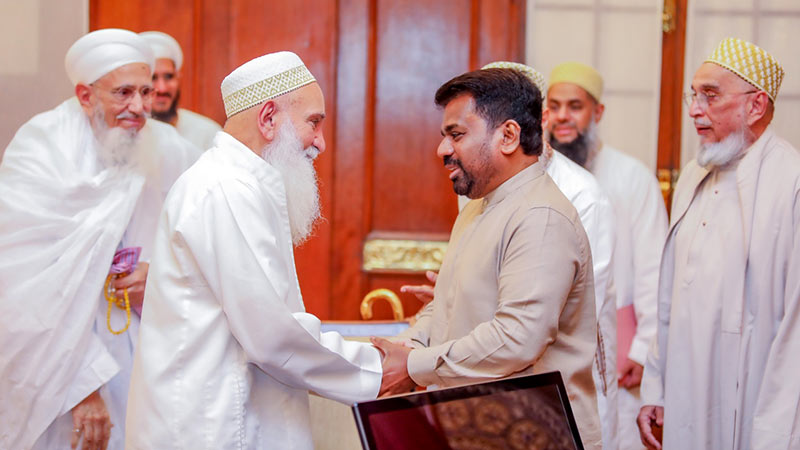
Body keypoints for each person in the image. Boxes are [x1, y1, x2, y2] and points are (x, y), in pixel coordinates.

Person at [125, 51, 382, 450]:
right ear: (268, 119)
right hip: (215, 426)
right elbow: (272, 335)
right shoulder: (225, 189)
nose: (321, 142)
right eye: (314, 122)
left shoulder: (243, 184)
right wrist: (378, 370)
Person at [372, 67, 602, 449]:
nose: (442, 150)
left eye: (456, 135)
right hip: (479, 426)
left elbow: (517, 339)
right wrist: (404, 349)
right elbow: (444, 304)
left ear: (509, 136)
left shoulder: (540, 217)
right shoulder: (477, 210)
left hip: (535, 432)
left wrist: (412, 365)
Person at [0, 28, 199, 450]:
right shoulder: (40, 147)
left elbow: (207, 241)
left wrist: (163, 275)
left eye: (145, 91)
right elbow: (20, 287)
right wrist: (82, 387)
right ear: (86, 95)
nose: (140, 107)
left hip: (148, 356)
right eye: (123, 93)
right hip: (59, 364)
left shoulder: (168, 147)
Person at [638, 37, 800, 450]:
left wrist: (778, 432)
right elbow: (670, 295)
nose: (694, 109)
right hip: (685, 387)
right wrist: (655, 387)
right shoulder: (694, 174)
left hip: (755, 396)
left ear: (756, 105)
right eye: (693, 96)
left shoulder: (791, 182)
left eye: (710, 96)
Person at [547, 61, 668, 449]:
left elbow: (655, 269)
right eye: (554, 105)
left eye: (575, 106)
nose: (563, 116)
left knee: (614, 435)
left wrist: (643, 348)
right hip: (551, 343)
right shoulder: (539, 176)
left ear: (597, 112)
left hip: (618, 343)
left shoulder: (633, 177)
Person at [140, 31, 222, 150]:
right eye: (153, 78)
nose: (162, 88)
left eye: (169, 77)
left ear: (178, 78)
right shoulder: (126, 135)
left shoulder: (208, 133)